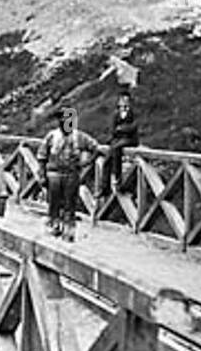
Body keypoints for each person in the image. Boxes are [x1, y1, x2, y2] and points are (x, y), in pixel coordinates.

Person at [38, 105, 98, 241]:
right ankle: (54, 227)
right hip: (54, 174)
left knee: (70, 204)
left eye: (68, 119)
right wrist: (42, 175)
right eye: (63, 120)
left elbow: (94, 147)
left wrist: (86, 163)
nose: (66, 123)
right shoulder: (52, 136)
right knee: (54, 202)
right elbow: (42, 156)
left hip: (72, 174)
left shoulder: (80, 137)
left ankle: (69, 231)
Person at [100, 88, 140, 198]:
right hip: (118, 140)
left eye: (126, 100)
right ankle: (104, 187)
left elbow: (133, 128)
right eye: (122, 100)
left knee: (116, 149)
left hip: (130, 140)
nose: (124, 102)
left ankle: (118, 179)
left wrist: (120, 129)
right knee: (107, 160)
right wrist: (121, 129)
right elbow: (113, 130)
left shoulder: (133, 113)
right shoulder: (116, 114)